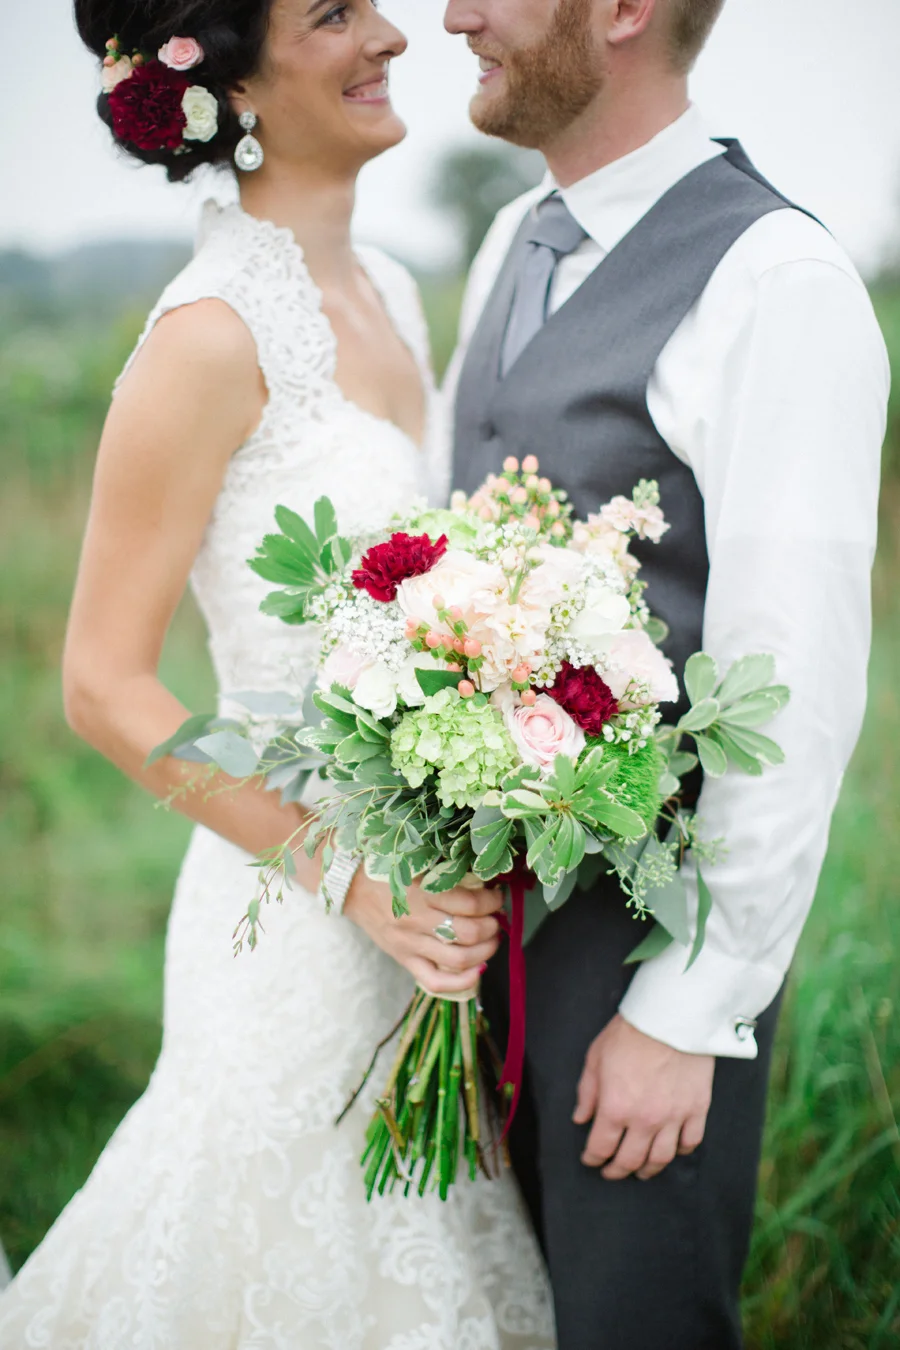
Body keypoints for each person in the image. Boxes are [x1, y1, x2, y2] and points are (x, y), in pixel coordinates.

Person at [0, 2, 556, 1345]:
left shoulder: (391, 294)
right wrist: (352, 877)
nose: (393, 36)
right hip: (295, 917)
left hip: (427, 918)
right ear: (233, 82)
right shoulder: (208, 335)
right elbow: (102, 684)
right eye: (334, 14)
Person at [444, 0, 888, 1346]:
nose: (455, 14)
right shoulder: (508, 243)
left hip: (643, 954)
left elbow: (792, 683)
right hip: (484, 934)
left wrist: (689, 1009)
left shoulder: (777, 280)